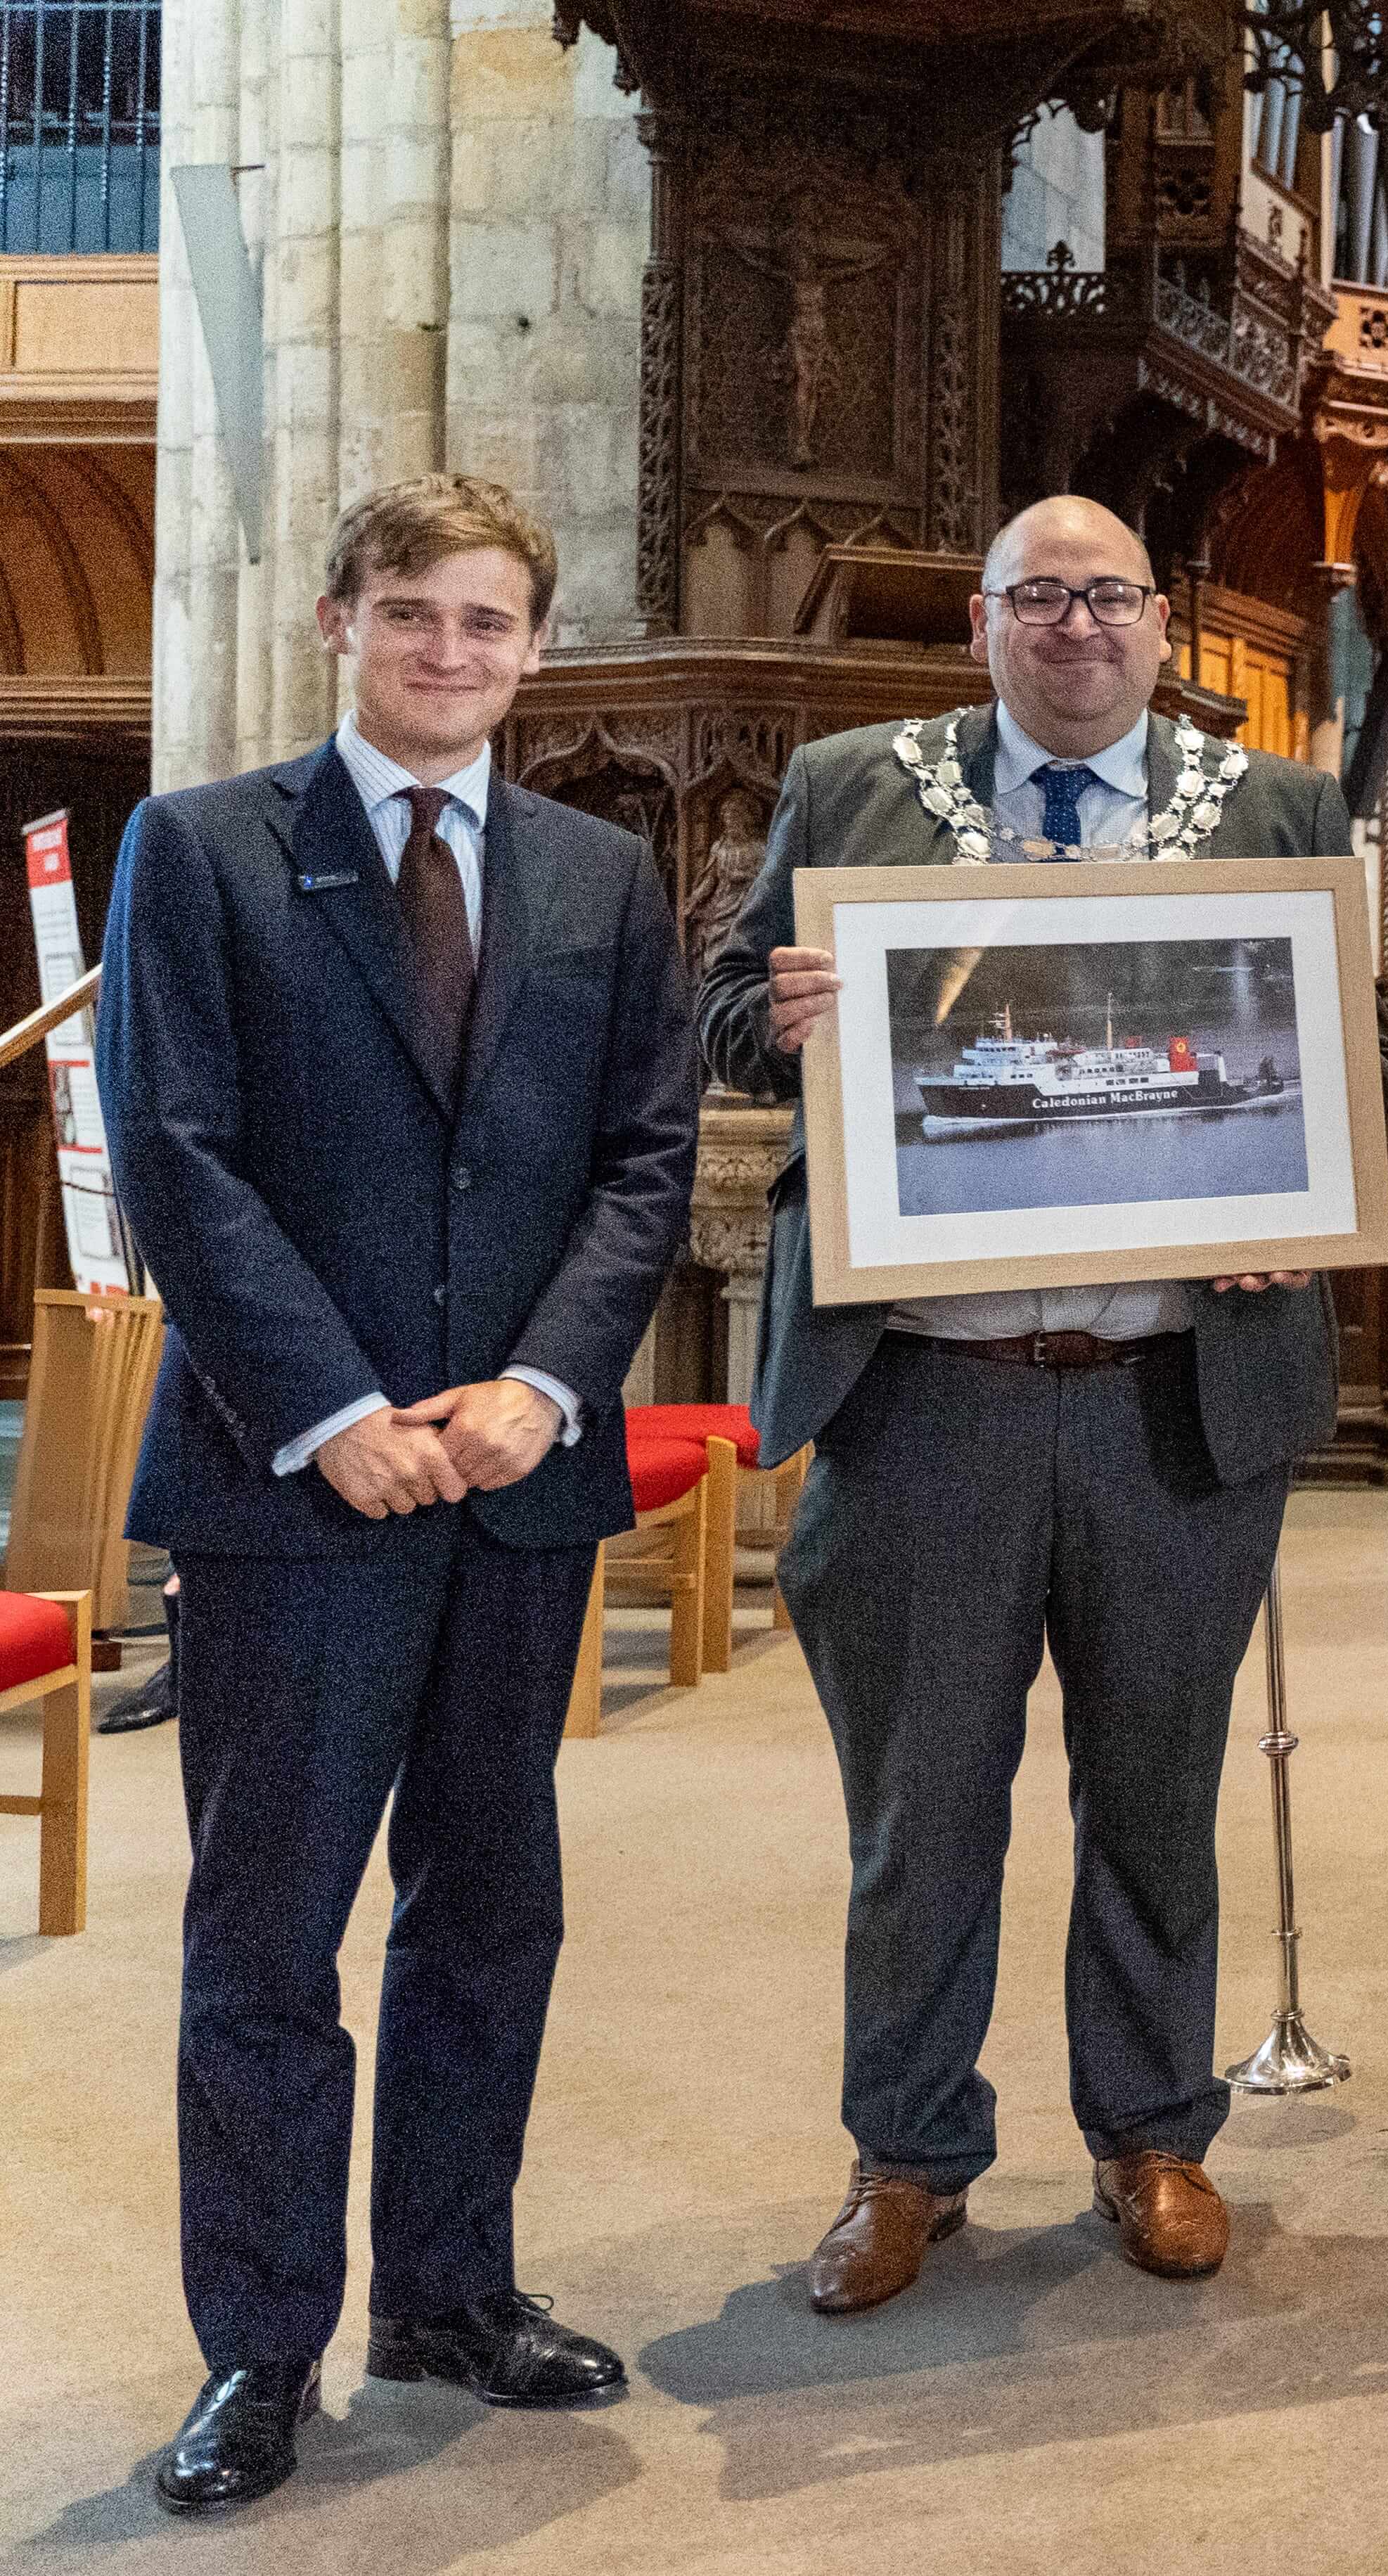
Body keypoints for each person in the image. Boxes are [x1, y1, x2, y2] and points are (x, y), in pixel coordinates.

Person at [697, 495, 1385, 2317]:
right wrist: (780, 1015)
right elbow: (721, 1010)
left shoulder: (1279, 810)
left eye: (1108, 597)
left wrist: (1297, 1196)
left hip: (1171, 1398)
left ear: (1161, 628)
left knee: (1153, 1792)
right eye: (1039, 598)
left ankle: (1152, 2134)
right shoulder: (850, 789)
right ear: (983, 624)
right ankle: (907, 2157)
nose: (1076, 627)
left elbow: (1339, 1052)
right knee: (922, 1809)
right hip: (932, 1394)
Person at [98, 473, 698, 2511]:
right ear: (339, 622)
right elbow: (176, 1152)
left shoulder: (603, 873)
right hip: (296, 1490)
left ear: (534, 650)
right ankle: (258, 2350)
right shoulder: (203, 848)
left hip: (515, 1481)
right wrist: (329, 1408)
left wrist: (545, 1384)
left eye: (488, 621)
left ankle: (450, 2293)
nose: (452, 651)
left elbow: (644, 1157)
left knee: (488, 1909)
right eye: (415, 612)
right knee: (270, 1933)